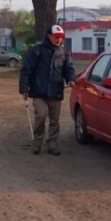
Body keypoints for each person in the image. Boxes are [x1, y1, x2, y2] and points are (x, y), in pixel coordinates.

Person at [19, 24, 76, 156]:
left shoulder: (64, 53)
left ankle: (52, 144)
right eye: (56, 37)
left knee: (54, 121)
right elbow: (26, 70)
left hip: (56, 92)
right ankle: (37, 142)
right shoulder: (36, 51)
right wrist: (24, 88)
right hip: (39, 92)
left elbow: (69, 69)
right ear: (49, 36)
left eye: (61, 37)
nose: (59, 39)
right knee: (41, 115)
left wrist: (71, 79)